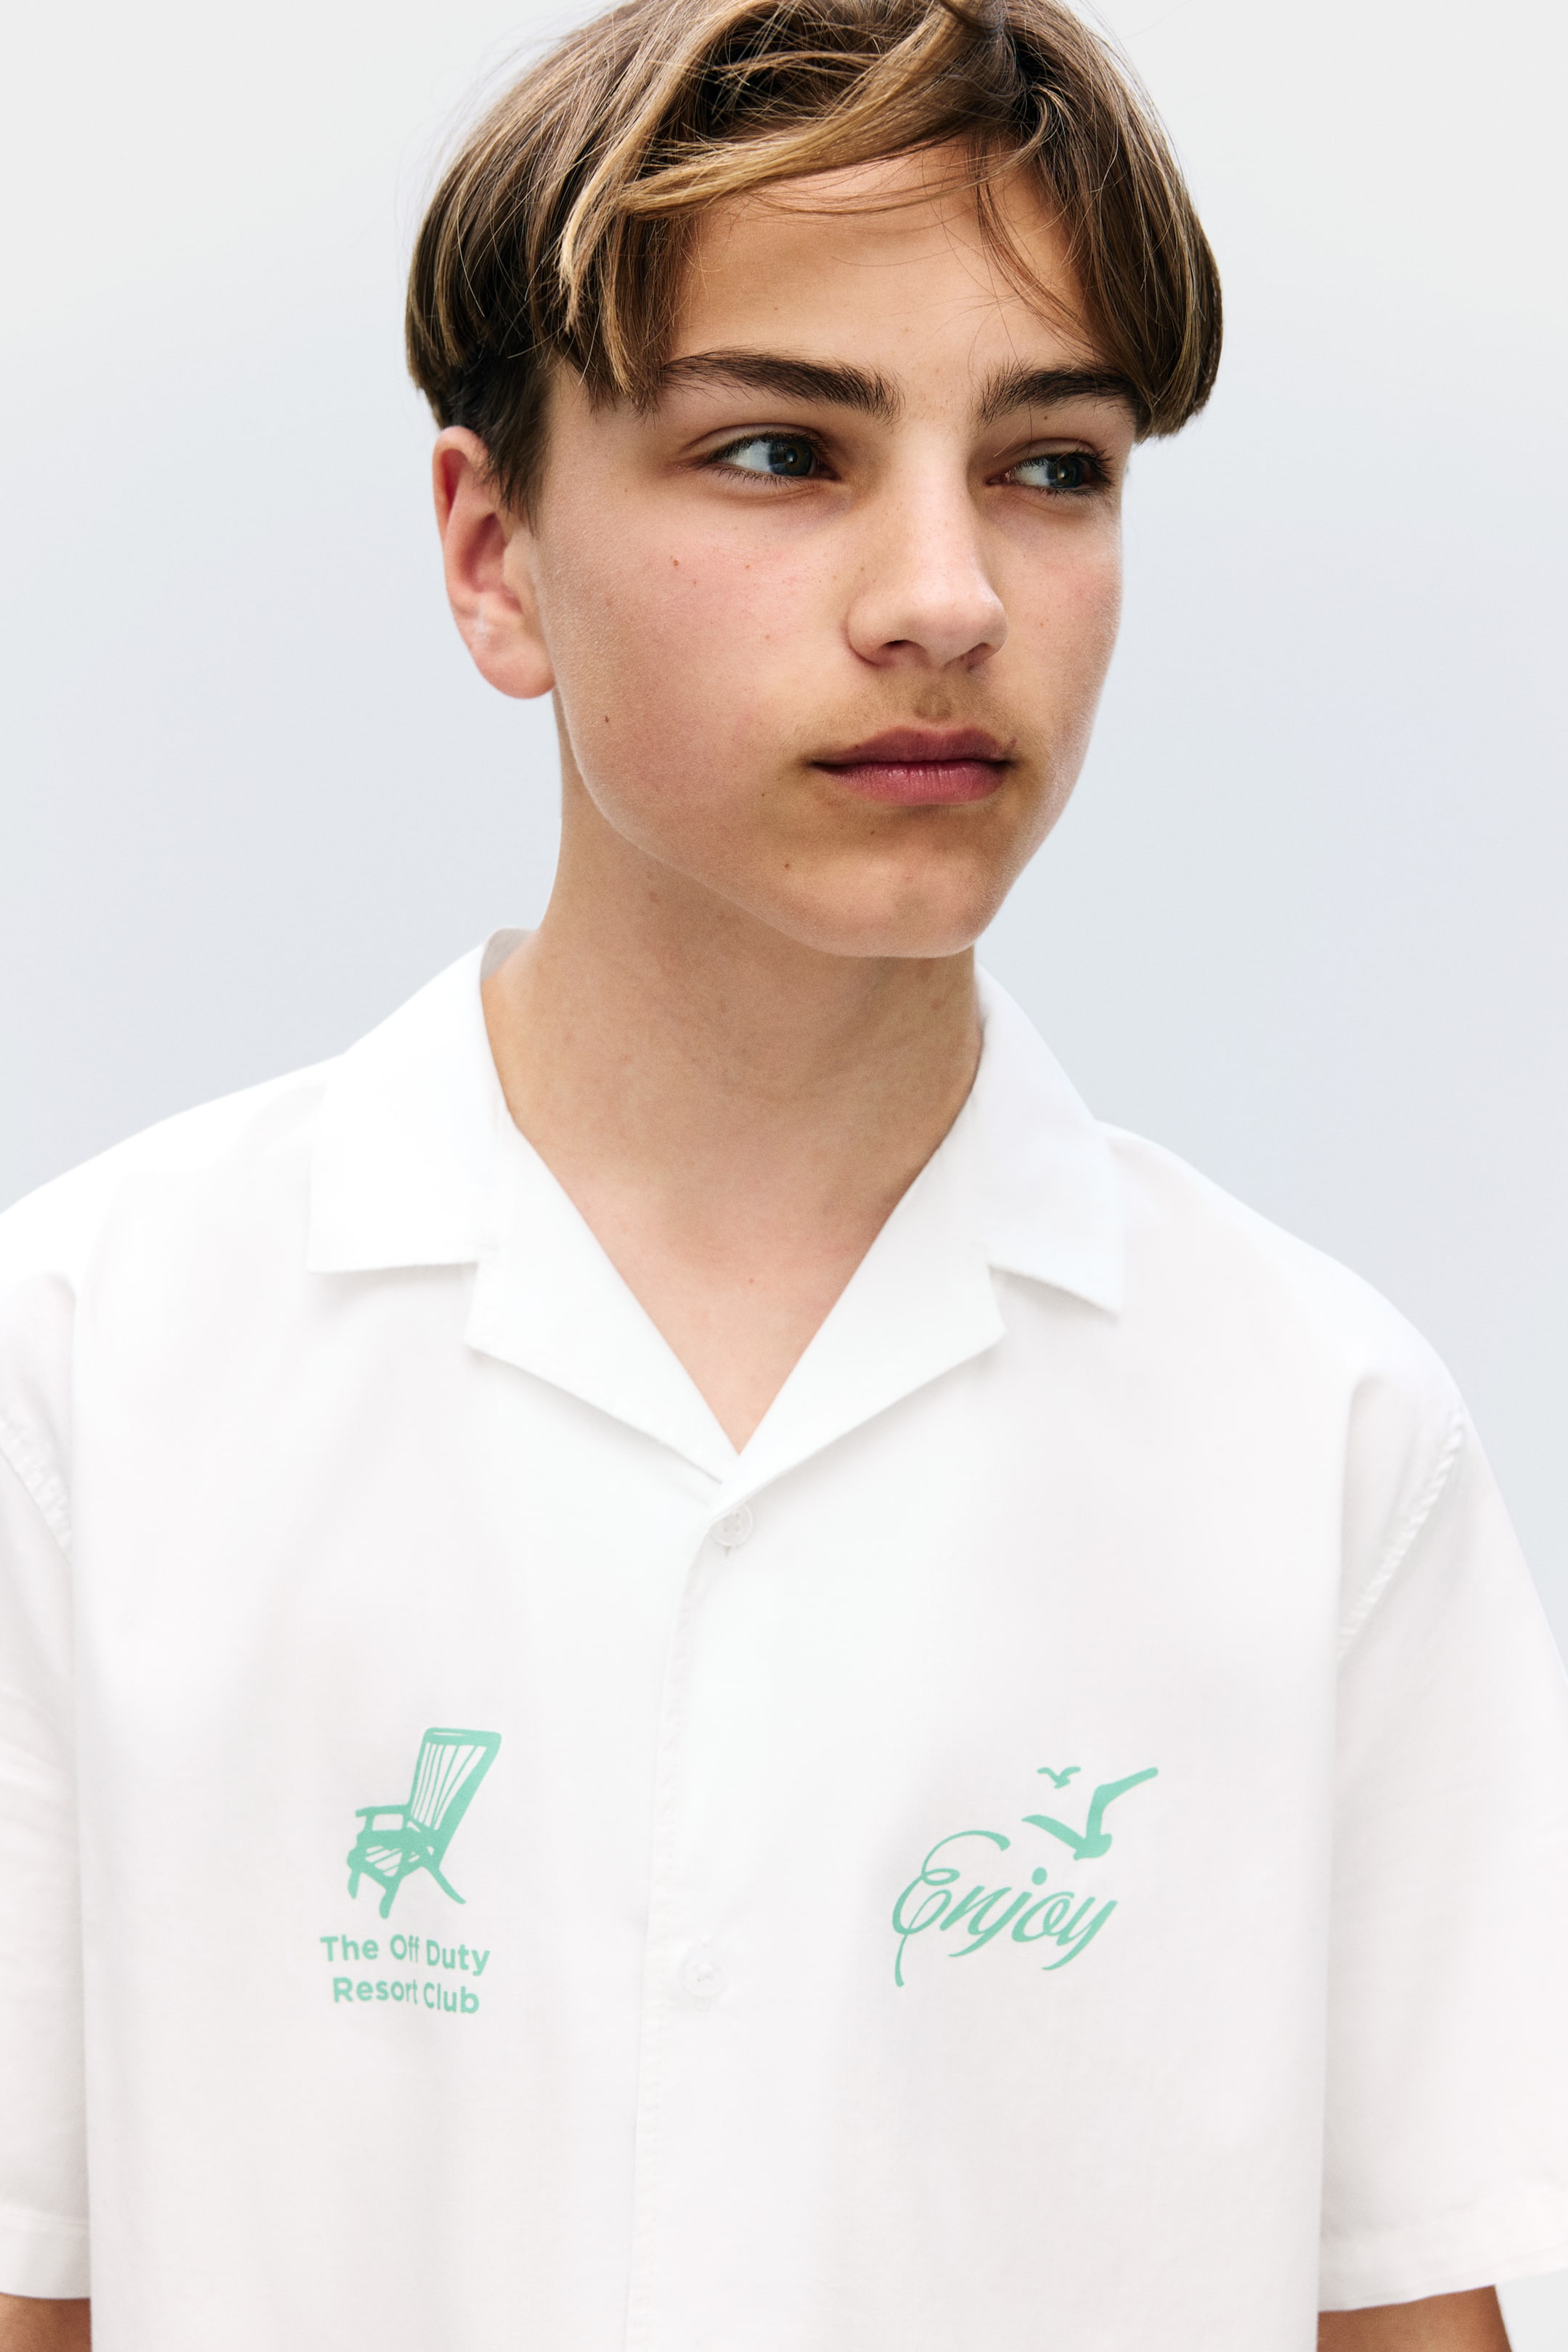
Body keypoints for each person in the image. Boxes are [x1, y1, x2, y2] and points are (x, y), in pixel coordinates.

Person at [1, 0, 1565, 2344]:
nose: (947, 595)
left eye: (1050, 467)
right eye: (777, 451)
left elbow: (1408, 2311)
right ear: (495, 554)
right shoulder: (93, 1376)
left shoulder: (1323, 1444)